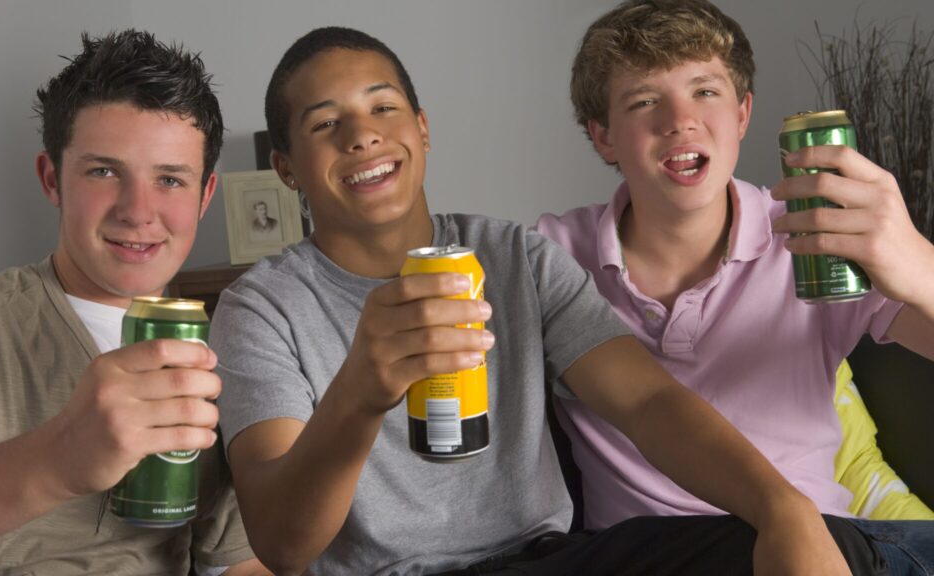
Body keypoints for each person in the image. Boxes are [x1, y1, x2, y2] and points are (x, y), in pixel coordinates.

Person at [211, 26, 886, 576]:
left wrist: (783, 508)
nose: (361, 135)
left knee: (816, 546)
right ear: (287, 167)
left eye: (383, 108)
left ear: (421, 128)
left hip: (554, 560)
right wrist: (359, 393)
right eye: (326, 123)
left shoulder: (515, 256)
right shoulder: (259, 308)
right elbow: (283, 544)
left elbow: (649, 403)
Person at [535, 0, 934, 572]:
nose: (680, 119)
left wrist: (919, 263)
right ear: (603, 137)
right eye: (644, 100)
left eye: (705, 91)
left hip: (822, 550)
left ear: (743, 114)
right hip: (650, 558)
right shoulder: (552, 255)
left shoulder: (816, 229)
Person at [0, 30, 267, 575]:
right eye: (104, 171)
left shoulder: (223, 349)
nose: (138, 211)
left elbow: (241, 564)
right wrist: (57, 459)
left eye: (170, 179)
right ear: (53, 179)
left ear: (206, 196)